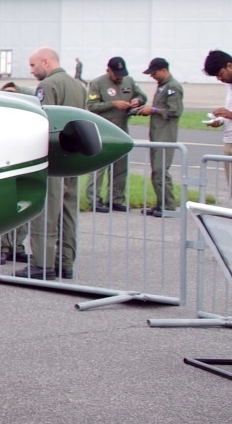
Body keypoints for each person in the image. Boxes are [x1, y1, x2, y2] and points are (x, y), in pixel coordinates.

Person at [24, 47, 87, 279]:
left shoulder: (48, 86)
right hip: (73, 158)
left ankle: (43, 262)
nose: (31, 70)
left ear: (46, 62)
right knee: (69, 211)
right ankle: (66, 261)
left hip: (53, 158)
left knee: (46, 211)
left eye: (33, 65)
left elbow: (44, 122)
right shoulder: (78, 86)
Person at [85, 56, 144, 211]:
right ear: (108, 70)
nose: (119, 77)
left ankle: (116, 199)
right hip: (103, 132)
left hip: (122, 131)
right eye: (116, 74)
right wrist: (113, 104)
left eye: (121, 74)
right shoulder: (98, 83)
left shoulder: (129, 81)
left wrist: (137, 100)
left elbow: (142, 96)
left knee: (120, 167)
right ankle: (94, 199)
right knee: (99, 167)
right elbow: (91, 106)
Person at [137, 58, 183, 215]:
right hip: (157, 134)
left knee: (161, 170)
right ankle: (160, 203)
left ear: (163, 70)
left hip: (166, 135)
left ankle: (168, 206)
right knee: (156, 171)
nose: (152, 76)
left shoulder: (173, 87)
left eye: (154, 73)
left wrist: (153, 110)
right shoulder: (163, 86)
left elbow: (174, 111)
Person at [206, 50, 232, 159]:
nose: (219, 79)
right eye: (216, 76)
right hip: (229, 141)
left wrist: (230, 115)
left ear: (230, 66)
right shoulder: (228, 84)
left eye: (220, 74)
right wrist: (221, 119)